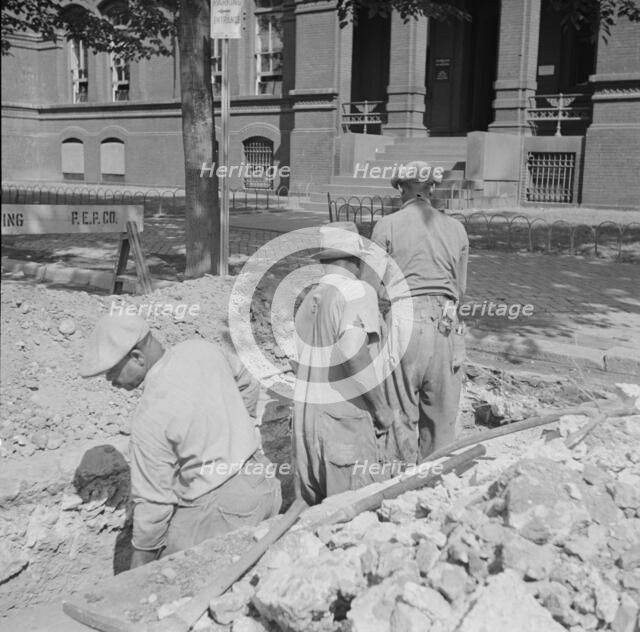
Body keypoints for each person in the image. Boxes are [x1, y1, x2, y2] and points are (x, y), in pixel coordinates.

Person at [80, 314, 281, 567]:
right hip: (265, 485)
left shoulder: (149, 416)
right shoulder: (201, 350)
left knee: (172, 576)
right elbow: (248, 383)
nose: (111, 382)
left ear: (136, 358)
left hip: (226, 512)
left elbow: (154, 507)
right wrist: (234, 429)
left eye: (111, 372)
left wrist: (140, 570)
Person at [362, 160, 469, 462]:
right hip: (446, 325)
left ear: (402, 188)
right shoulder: (457, 228)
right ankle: (437, 481)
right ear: (432, 188)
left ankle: (401, 484)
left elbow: (367, 286)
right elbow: (460, 288)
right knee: (442, 416)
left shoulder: (387, 225)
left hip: (404, 323)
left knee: (399, 414)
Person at [292, 222, 397, 506]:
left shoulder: (309, 298)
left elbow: (294, 360)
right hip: (343, 425)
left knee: (313, 520)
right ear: (357, 261)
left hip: (305, 424)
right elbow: (353, 355)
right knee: (353, 516)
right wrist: (380, 408)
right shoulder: (357, 290)